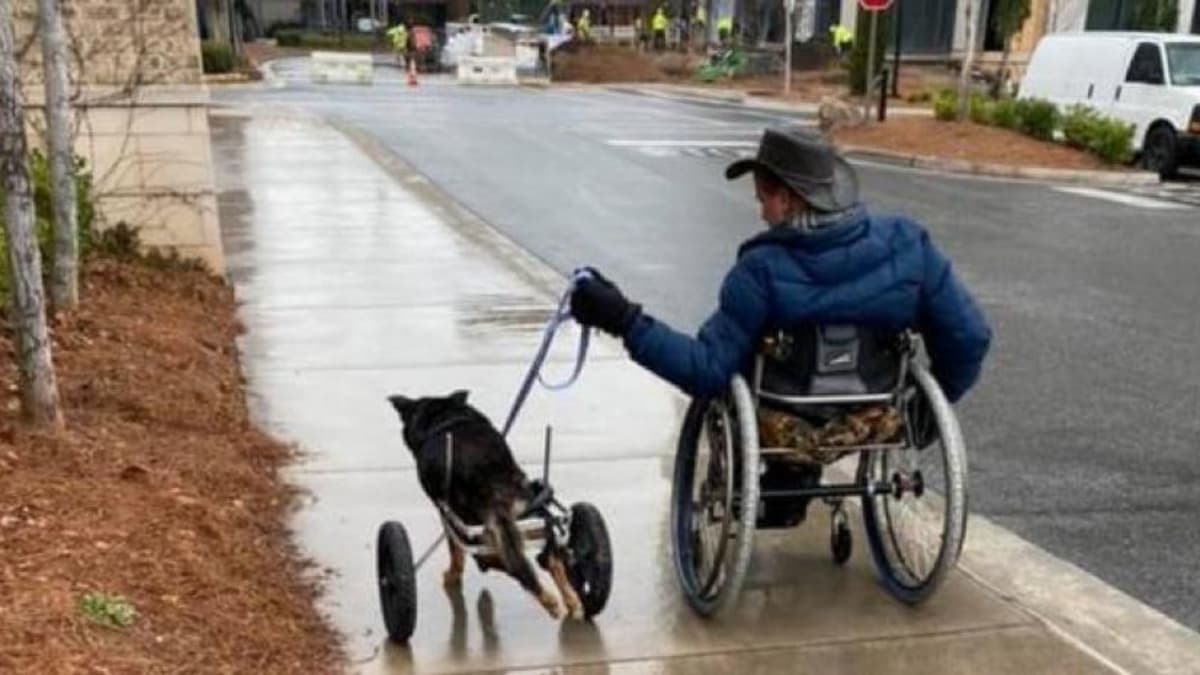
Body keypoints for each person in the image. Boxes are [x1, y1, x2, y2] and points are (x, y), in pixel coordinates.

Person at [569, 127, 992, 407]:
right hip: (875, 413)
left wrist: (625, 319)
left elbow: (707, 371)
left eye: (762, 198)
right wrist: (919, 418)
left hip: (786, 421)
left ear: (787, 200)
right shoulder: (908, 243)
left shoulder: (760, 270)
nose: (760, 212)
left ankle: (786, 484)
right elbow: (969, 336)